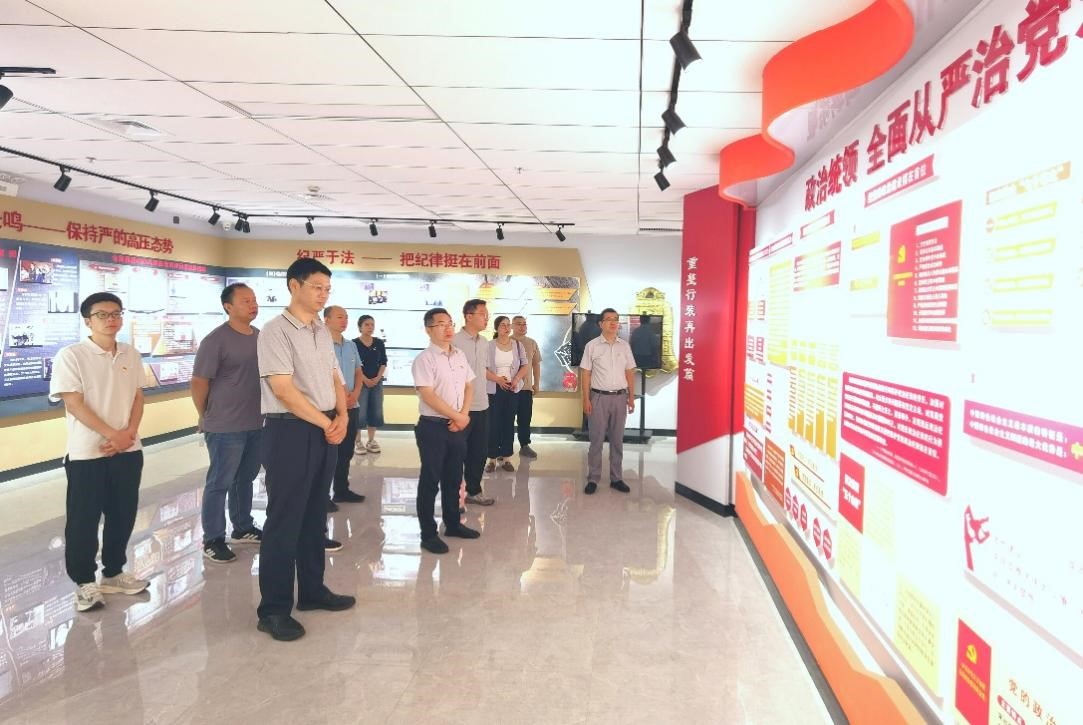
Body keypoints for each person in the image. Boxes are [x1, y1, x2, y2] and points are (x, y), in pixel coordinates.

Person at [255, 258, 354, 642]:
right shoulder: (275, 331)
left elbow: (335, 377)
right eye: (316, 287)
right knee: (285, 520)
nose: (323, 295)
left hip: (325, 427)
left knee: (314, 516)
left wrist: (341, 416)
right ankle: (274, 610)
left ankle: (312, 590)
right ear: (294, 286)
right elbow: (283, 390)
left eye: (327, 289)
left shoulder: (320, 330)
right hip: (290, 431)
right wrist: (327, 423)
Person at [49, 292, 149, 612]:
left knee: (123, 514)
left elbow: (138, 397)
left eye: (116, 313)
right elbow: (74, 403)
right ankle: (84, 582)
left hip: (128, 449)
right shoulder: (72, 355)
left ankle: (114, 573)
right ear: (87, 321)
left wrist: (128, 433)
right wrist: (113, 435)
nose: (111, 319)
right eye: (102, 314)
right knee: (84, 520)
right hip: (87, 454)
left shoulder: (130, 353)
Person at [190, 283, 264, 564]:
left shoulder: (259, 336)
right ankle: (213, 539)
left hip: (256, 422)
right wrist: (205, 414)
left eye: (254, 300)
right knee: (219, 482)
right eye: (246, 301)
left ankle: (242, 527)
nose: (253, 305)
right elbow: (199, 382)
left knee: (245, 478)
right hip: (224, 425)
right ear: (228, 307)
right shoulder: (216, 340)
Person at [411, 307, 481, 553]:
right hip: (433, 427)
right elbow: (428, 395)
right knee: (430, 481)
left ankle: (453, 524)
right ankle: (428, 534)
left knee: (453, 478)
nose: (448, 328)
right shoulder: (425, 359)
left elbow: (469, 386)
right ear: (428, 330)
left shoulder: (459, 355)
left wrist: (463, 415)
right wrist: (458, 417)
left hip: (457, 425)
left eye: (450, 323)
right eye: (441, 324)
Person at [580, 308, 636, 495]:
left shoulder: (624, 346)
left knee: (617, 440)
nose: (613, 322)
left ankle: (616, 478)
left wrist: (631, 397)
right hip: (598, 398)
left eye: (616, 319)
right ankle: (593, 478)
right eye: (609, 319)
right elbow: (586, 374)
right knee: (596, 440)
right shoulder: (592, 346)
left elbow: (629, 372)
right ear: (601, 324)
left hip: (620, 398)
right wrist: (586, 399)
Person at [452, 299, 500, 506]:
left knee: (479, 453)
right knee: (456, 454)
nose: (486, 318)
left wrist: (499, 380)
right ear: (468, 316)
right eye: (482, 314)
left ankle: (474, 491)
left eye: (487, 314)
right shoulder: (454, 341)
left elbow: (483, 371)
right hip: (459, 408)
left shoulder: (484, 342)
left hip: (482, 405)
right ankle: (453, 496)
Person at [324, 305, 366, 507]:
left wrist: (355, 394)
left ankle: (341, 490)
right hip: (329, 407)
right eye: (340, 317)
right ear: (326, 320)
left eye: (346, 317)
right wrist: (340, 397)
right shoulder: (320, 345)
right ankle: (322, 497)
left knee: (346, 452)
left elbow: (358, 372)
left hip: (351, 405)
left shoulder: (351, 345)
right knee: (327, 454)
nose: (344, 320)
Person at [485, 316, 528, 473]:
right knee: (493, 423)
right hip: (494, 388)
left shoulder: (517, 345)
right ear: (496, 328)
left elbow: (525, 365)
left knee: (508, 423)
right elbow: (482, 368)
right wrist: (497, 379)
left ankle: (506, 458)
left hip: (512, 388)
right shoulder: (489, 345)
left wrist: (516, 379)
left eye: (508, 325)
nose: (506, 328)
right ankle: (491, 459)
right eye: (503, 325)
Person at [352, 314, 387, 456]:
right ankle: (358, 442)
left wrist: (377, 378)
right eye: (367, 324)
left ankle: (371, 441)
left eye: (372, 324)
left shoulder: (379, 343)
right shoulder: (353, 343)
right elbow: (354, 364)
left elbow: (383, 362)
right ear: (360, 327)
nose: (370, 327)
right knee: (359, 413)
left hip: (377, 383)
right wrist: (364, 379)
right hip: (360, 383)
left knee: (375, 411)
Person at [511, 315, 541, 458]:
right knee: (506, 419)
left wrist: (537, 383)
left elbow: (536, 365)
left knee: (525, 419)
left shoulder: (532, 343)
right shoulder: (505, 341)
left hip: (526, 389)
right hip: (508, 388)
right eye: (519, 324)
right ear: (512, 326)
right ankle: (504, 447)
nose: (522, 326)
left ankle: (524, 445)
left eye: (524, 324)